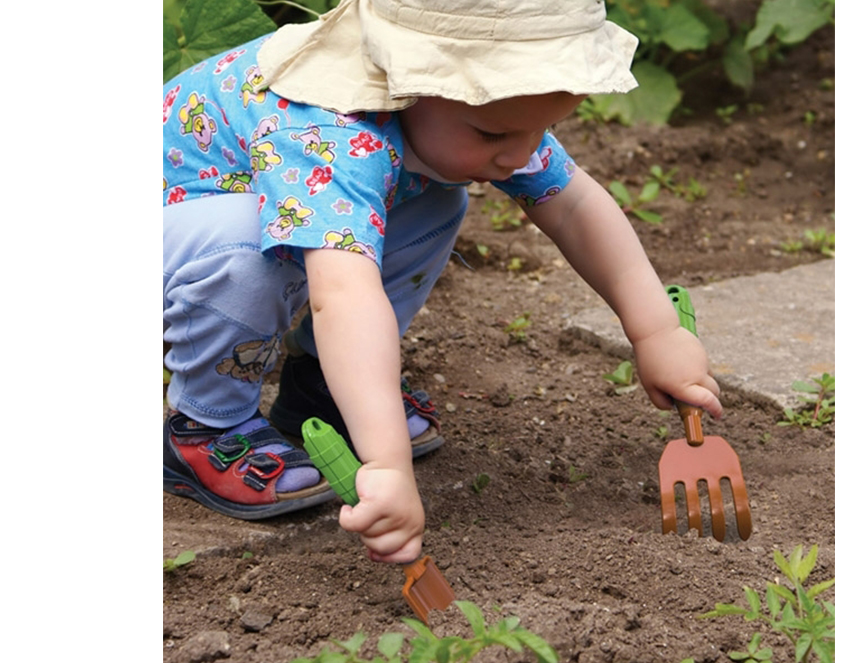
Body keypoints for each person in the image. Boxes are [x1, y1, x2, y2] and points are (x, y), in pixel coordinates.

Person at [163, 0, 723, 564]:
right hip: (177, 230)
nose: (522, 154)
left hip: (261, 219)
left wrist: (656, 333)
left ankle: (324, 392)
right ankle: (207, 425)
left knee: (439, 197)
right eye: (493, 134)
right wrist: (386, 466)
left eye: (545, 129)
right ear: (407, 82)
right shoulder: (325, 132)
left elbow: (574, 207)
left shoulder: (488, 118)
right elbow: (345, 297)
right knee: (247, 245)